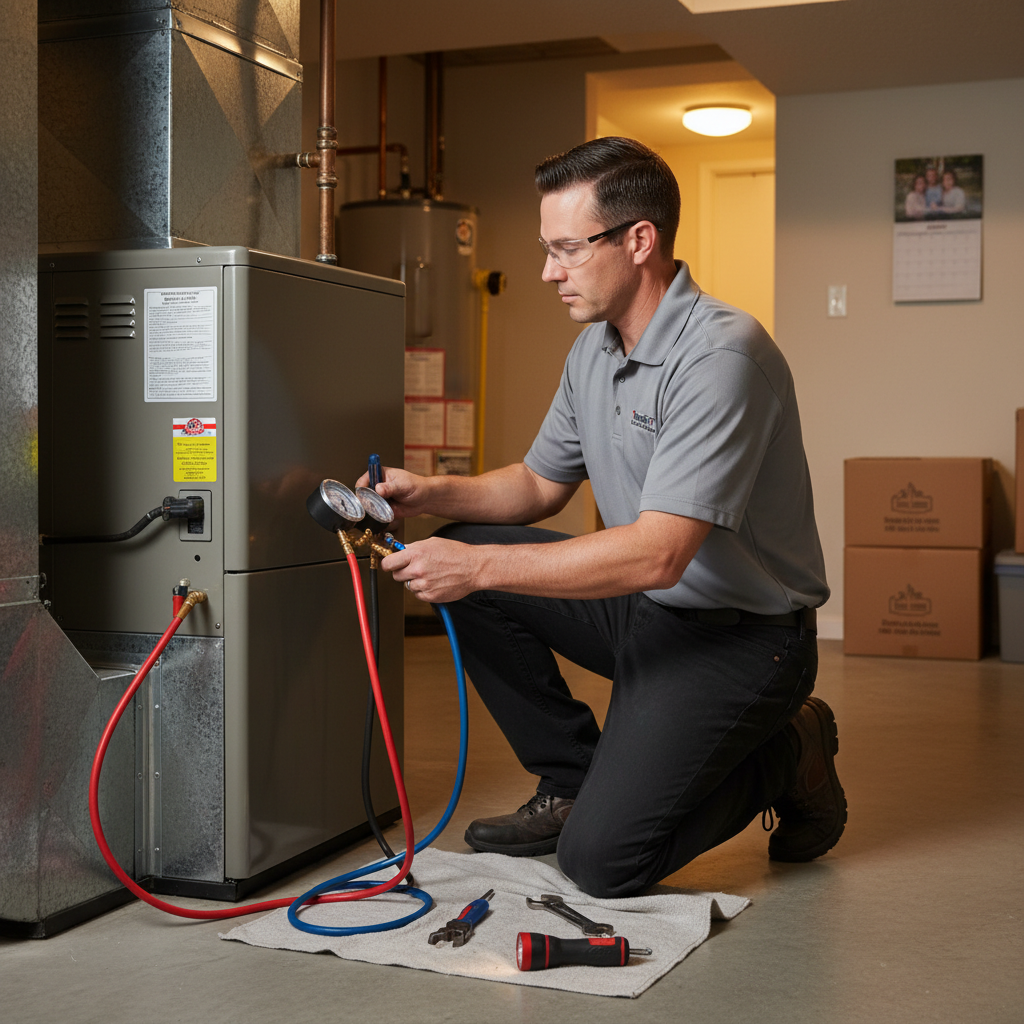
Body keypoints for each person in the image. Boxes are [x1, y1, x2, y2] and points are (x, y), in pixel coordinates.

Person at [369, 137, 846, 899]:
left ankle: (794, 748)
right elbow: (535, 485)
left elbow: (660, 553)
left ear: (639, 240)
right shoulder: (594, 351)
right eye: (545, 249)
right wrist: (428, 492)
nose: (547, 271)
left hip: (745, 640)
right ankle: (569, 781)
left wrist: (478, 569)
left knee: (602, 864)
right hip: (648, 613)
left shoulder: (723, 357)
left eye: (565, 249)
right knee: (464, 546)